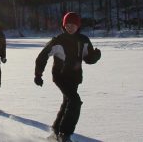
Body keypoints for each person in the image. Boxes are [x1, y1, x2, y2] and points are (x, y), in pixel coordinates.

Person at [34, 12, 102, 142]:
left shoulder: (83, 40)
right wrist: (38, 74)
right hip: (60, 77)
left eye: (73, 25)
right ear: (64, 25)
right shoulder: (58, 41)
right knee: (75, 101)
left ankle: (55, 131)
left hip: (75, 77)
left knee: (67, 102)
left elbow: (88, 58)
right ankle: (65, 134)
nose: (70, 27)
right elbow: (42, 57)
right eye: (68, 25)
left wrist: (95, 56)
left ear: (78, 26)